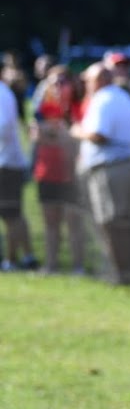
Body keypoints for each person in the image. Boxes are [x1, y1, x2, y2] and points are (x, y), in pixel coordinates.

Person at [72, 62, 130, 284]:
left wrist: (77, 131)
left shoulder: (104, 99)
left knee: (112, 224)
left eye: (88, 80)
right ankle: (122, 272)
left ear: (99, 80)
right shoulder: (120, 96)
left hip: (111, 169)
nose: (85, 84)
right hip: (121, 166)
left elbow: (99, 135)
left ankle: (122, 273)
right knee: (117, 223)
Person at [30, 64, 86, 273]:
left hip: (72, 173)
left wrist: (54, 133)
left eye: (63, 82)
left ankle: (78, 266)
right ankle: (51, 265)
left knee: (74, 223)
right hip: (47, 171)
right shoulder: (43, 109)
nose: (58, 87)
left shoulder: (79, 107)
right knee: (50, 222)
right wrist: (57, 134)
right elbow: (37, 135)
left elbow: (73, 139)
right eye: (53, 82)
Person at [0, 64, 37, 270]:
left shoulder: (1, 93)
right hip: (8, 161)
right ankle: (22, 257)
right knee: (11, 213)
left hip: (6, 162)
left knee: (11, 213)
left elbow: (3, 126)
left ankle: (14, 259)